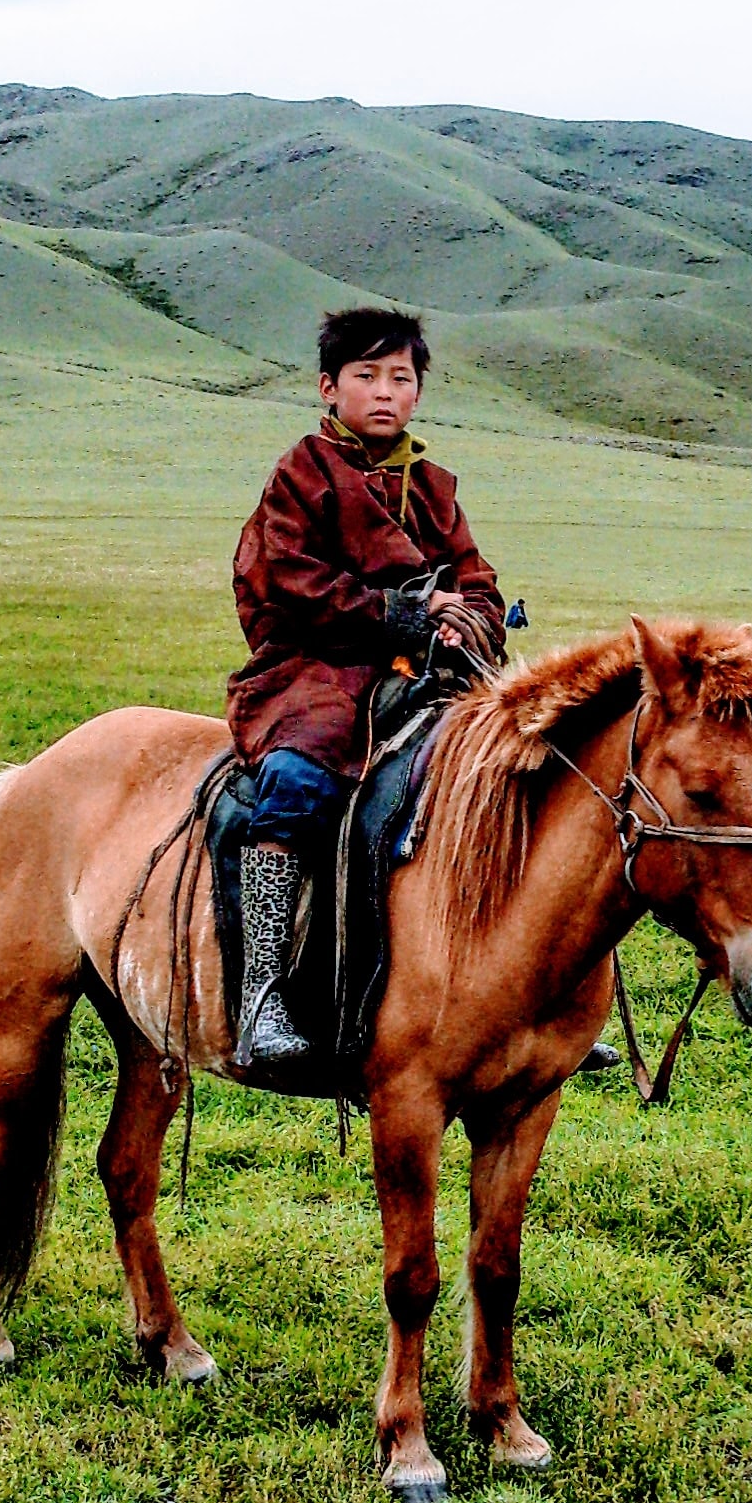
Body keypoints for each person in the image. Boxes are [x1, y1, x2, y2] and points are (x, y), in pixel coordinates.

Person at [225, 306, 506, 1071]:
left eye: (400, 378)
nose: (384, 392)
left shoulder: (435, 486)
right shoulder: (301, 473)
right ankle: (259, 997)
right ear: (329, 387)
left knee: (513, 771)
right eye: (366, 376)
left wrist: (465, 623)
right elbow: (285, 580)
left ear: (418, 393)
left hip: (425, 670)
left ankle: (514, 1000)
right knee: (295, 779)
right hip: (314, 665)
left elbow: (476, 579)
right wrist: (406, 612)